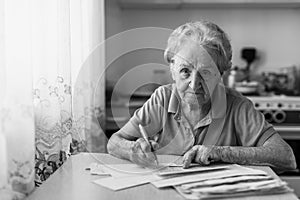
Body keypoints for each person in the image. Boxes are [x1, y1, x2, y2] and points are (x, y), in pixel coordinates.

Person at [107, 20, 297, 172]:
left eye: (205, 73)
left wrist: (221, 152)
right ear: (172, 69)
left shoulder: (238, 106)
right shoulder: (162, 99)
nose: (194, 83)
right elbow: (114, 142)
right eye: (184, 71)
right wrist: (133, 151)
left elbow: (286, 157)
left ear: (221, 74)